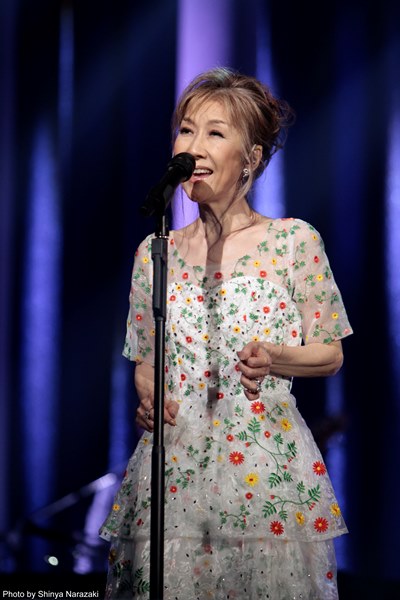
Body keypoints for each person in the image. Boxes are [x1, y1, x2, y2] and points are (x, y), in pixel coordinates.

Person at [100, 67, 353, 599]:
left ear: (252, 157)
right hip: (175, 470)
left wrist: (275, 357)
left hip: (262, 466)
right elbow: (146, 360)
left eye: (215, 133)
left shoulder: (293, 242)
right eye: (186, 130)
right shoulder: (156, 252)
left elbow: (330, 353)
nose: (193, 147)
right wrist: (150, 398)